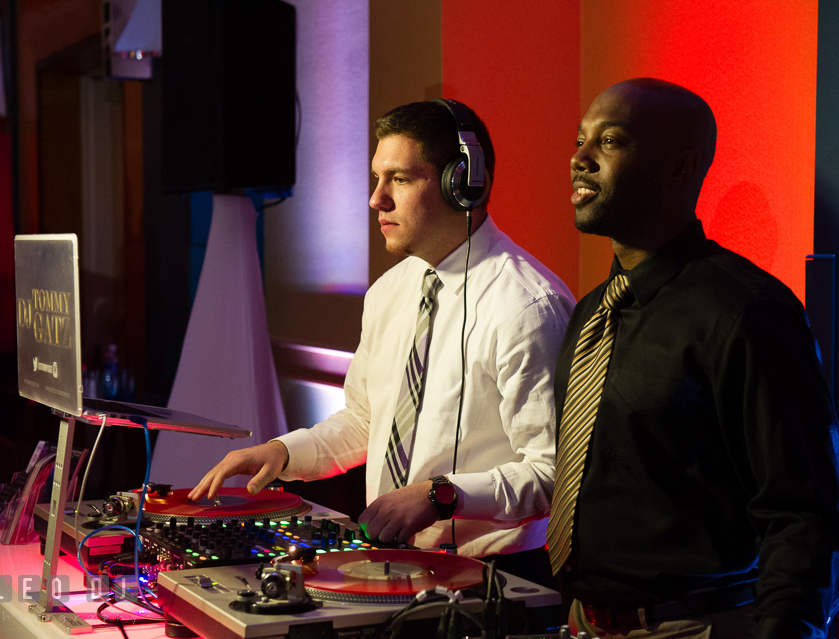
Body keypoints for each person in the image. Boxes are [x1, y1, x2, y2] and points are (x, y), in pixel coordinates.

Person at [190, 100, 574, 585]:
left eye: (401, 179)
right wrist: (284, 452)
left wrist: (441, 496)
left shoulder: (526, 306)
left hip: (494, 579)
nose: (376, 199)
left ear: (464, 184)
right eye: (376, 178)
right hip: (393, 564)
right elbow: (365, 421)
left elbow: (555, 473)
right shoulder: (390, 292)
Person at [546, 78, 839, 638]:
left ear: (679, 168)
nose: (580, 159)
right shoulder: (593, 311)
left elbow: (802, 516)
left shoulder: (744, 310)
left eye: (610, 142)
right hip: (582, 623)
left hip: (692, 626)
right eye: (580, 141)